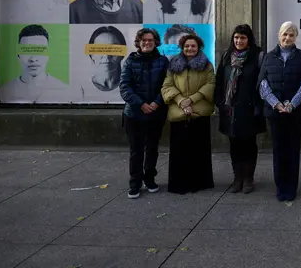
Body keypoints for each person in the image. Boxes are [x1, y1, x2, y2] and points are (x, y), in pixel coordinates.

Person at [258, 21, 301, 201]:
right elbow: (262, 83)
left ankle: (291, 188)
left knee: (293, 150)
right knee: (278, 151)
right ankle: (280, 188)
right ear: (279, 36)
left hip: (295, 113)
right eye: (284, 34)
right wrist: (276, 104)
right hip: (275, 113)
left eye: (291, 35)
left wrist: (292, 104)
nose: (287, 38)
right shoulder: (268, 57)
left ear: (296, 37)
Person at [161, 33, 215, 194]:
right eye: (187, 46)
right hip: (179, 112)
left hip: (199, 111)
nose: (190, 48)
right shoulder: (173, 64)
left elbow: (211, 84)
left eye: (193, 46)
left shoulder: (207, 65)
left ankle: (200, 183)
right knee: (179, 151)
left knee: (199, 150)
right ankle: (180, 184)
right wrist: (181, 101)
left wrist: (191, 100)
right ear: (182, 47)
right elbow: (167, 86)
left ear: (199, 47)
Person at [214, 24, 266, 194]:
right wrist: (220, 103)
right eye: (236, 37)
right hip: (230, 109)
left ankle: (248, 178)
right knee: (234, 145)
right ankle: (237, 178)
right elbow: (219, 82)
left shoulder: (257, 56)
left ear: (249, 39)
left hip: (249, 109)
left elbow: (262, 83)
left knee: (249, 144)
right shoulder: (226, 56)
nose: (239, 41)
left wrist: (257, 105)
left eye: (243, 37)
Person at [119, 28, 169, 199]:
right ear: (139, 43)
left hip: (156, 113)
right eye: (144, 40)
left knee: (152, 148)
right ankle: (135, 182)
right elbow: (124, 87)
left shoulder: (163, 61)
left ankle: (150, 179)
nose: (147, 43)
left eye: (150, 40)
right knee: (136, 150)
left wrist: (156, 102)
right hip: (134, 114)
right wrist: (140, 104)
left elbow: (167, 85)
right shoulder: (130, 61)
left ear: (155, 42)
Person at [0, 24, 68, 103]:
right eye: (27, 50)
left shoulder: (64, 91)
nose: (33, 59)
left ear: (48, 55)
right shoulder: (2, 93)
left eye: (40, 50)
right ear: (18, 55)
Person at [78, 26, 128, 103]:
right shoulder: (82, 88)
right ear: (91, 55)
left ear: (123, 53)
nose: (106, 56)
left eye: (113, 49)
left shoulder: (131, 86)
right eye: (100, 49)